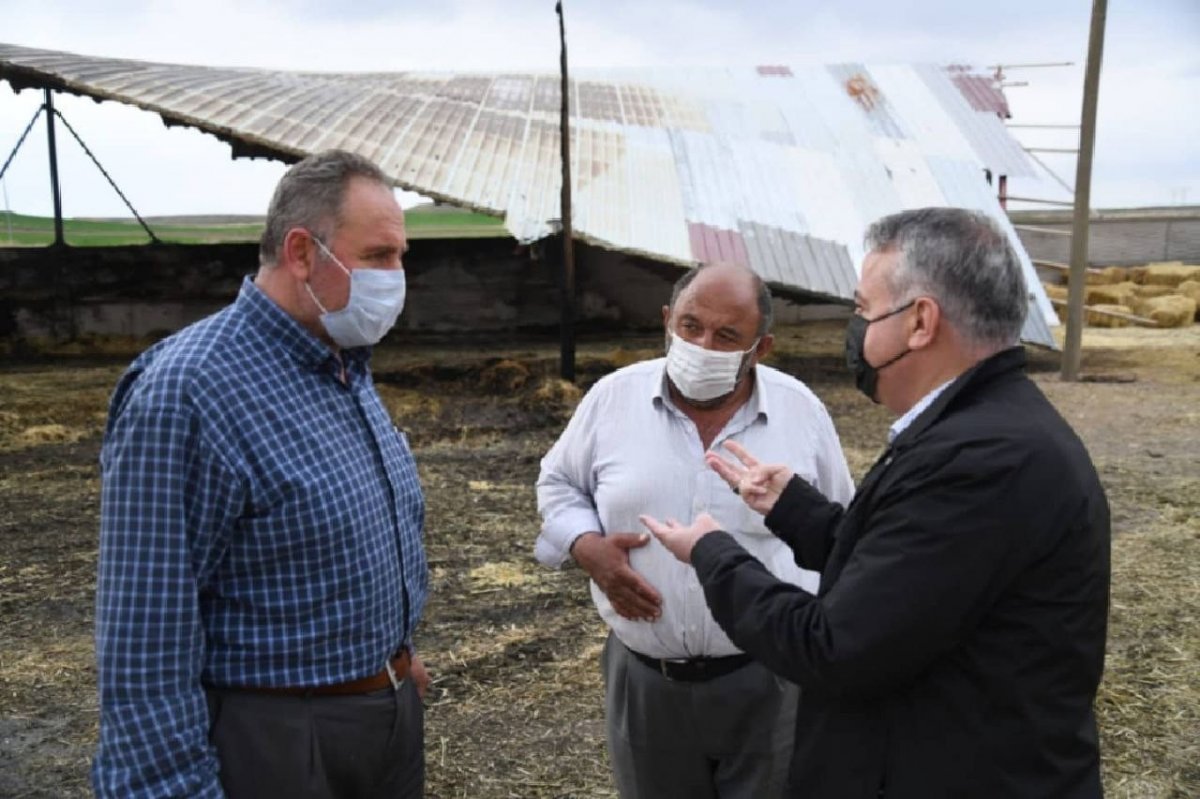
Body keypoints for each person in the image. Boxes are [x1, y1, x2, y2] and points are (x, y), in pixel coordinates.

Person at [643, 207, 1111, 798]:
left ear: (920, 322)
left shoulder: (982, 460)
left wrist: (714, 554)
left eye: (864, 310)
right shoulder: (981, 428)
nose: (855, 328)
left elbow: (834, 647)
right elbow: (906, 582)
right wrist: (795, 509)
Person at [93, 150, 430, 798]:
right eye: (381, 255)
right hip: (279, 736)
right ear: (302, 252)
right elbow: (145, 645)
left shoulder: (343, 363)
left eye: (401, 256)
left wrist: (391, 661)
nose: (397, 277)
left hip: (384, 719)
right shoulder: (188, 392)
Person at [536, 262, 854, 798]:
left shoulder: (801, 412)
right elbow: (559, 483)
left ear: (762, 347)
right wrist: (586, 546)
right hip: (645, 679)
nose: (703, 345)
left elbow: (843, 535)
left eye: (727, 335)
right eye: (690, 326)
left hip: (771, 682)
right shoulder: (612, 399)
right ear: (666, 320)